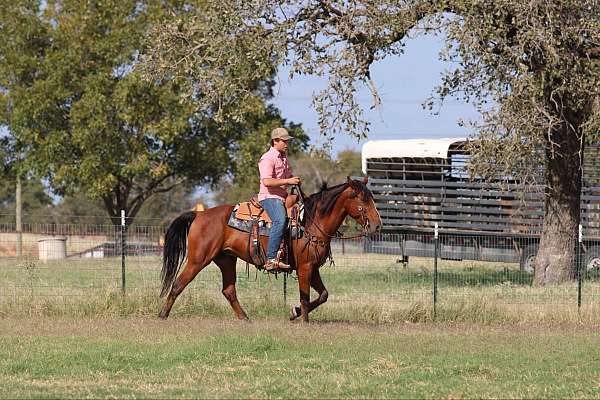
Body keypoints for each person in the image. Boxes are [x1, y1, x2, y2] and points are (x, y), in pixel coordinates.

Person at [257, 127, 301, 271]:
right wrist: (289, 182)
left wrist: (293, 180)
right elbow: (267, 182)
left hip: (283, 197)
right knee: (280, 220)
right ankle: (270, 259)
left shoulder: (283, 157)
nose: (287, 143)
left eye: (288, 141)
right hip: (269, 197)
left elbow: (287, 176)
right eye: (284, 141)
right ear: (275, 141)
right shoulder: (267, 158)